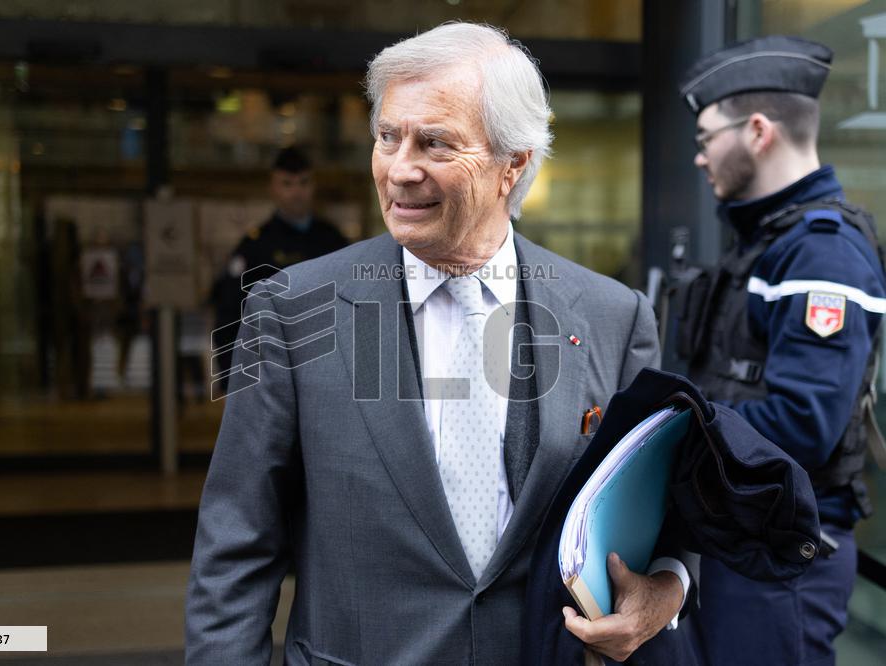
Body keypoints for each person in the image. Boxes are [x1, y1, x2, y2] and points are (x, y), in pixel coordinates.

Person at [187, 22, 690, 664]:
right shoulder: (292, 309)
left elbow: (662, 504)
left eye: (434, 143)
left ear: (514, 165)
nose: (400, 170)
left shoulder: (612, 318)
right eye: (388, 137)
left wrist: (667, 587)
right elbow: (237, 541)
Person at [674, 35, 886, 665]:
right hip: (747, 540)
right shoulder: (767, 243)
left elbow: (803, 425)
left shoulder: (821, 252)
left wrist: (672, 424)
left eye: (707, 137)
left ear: (758, 131)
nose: (700, 157)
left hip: (784, 556)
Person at [209, 146, 348, 391]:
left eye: (303, 183)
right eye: (287, 184)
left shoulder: (332, 240)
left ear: (313, 186)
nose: (296, 192)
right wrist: (232, 379)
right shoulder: (256, 247)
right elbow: (230, 314)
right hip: (272, 370)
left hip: (327, 368)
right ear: (272, 188)